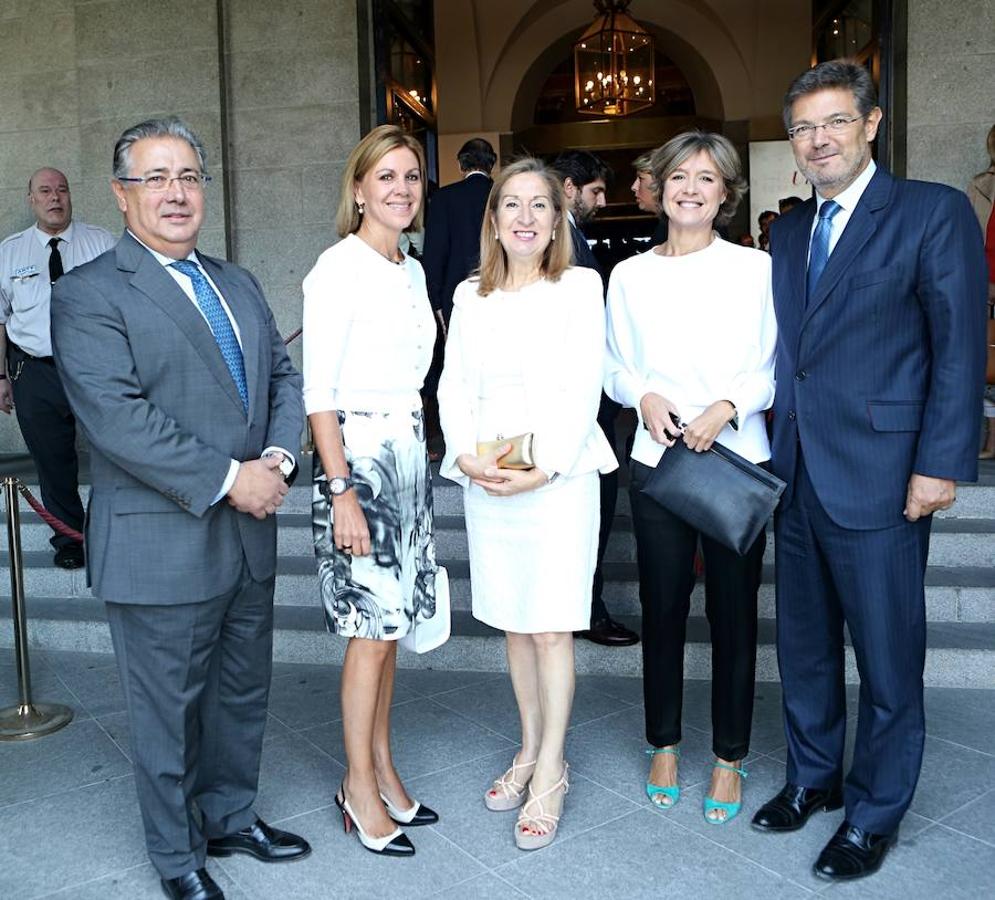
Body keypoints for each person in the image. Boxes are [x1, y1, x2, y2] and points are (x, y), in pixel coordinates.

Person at [49, 117, 309, 900]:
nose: (176, 193)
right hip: (161, 545)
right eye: (156, 178)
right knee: (167, 714)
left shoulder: (236, 282)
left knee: (240, 693)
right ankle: (176, 855)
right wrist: (233, 477)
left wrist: (279, 457)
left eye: (189, 176)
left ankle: (230, 816)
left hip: (245, 537)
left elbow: (282, 380)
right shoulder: (87, 294)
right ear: (122, 195)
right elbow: (117, 419)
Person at [751, 60, 986, 881]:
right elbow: (788, 356)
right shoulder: (785, 232)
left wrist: (940, 463)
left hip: (886, 475)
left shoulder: (929, 212)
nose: (818, 141)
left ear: (870, 125)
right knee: (806, 648)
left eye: (834, 123)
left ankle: (873, 811)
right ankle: (812, 779)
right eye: (803, 129)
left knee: (887, 658)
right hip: (798, 473)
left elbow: (957, 346)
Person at [438, 157, 616, 850]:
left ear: (556, 218)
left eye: (538, 205)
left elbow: (583, 385)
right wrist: (466, 455)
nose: (523, 217)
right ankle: (526, 744)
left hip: (559, 479)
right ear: (493, 218)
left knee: (550, 628)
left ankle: (551, 766)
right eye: (509, 204)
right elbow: (452, 387)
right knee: (514, 624)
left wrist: (543, 467)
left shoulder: (578, 286)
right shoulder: (467, 293)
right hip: (491, 477)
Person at [605, 130, 776, 826]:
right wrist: (640, 395)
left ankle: (730, 757)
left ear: (726, 194)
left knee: (733, 615)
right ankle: (665, 744)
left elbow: (770, 365)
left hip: (736, 461)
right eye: (679, 176)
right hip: (658, 464)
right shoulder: (629, 276)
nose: (691, 189)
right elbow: (613, 364)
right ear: (656, 186)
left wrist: (728, 405)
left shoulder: (754, 269)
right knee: (663, 606)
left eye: (707, 179)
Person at [302, 124, 442, 859]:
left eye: (411, 176)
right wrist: (342, 491)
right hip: (356, 464)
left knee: (390, 632)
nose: (399, 188)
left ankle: (383, 767)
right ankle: (357, 787)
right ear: (357, 189)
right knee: (368, 635)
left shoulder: (409, 269)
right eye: (384, 176)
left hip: (407, 457)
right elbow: (317, 393)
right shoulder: (337, 269)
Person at [0, 169, 114, 568]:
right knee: (52, 459)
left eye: (62, 190)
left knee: (113, 452)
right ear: (31, 198)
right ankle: (70, 541)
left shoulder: (101, 243)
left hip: (95, 366)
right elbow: (0, 318)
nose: (55, 197)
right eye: (45, 191)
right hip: (34, 370)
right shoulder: (9, 252)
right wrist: (0, 377)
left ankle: (110, 533)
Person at [553, 148, 638, 648]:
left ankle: (584, 604)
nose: (604, 202)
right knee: (593, 510)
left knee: (598, 508)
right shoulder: (558, 236)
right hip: (578, 409)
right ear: (569, 187)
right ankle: (586, 608)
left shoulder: (571, 233)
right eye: (597, 191)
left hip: (590, 406)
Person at [422, 137, 496, 327]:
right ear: (492, 164)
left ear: (460, 165)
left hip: (454, 298)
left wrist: (436, 303)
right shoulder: (503, 195)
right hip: (501, 292)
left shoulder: (443, 198)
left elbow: (434, 255)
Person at [967, 123, 995, 458]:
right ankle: (991, 439)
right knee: (987, 361)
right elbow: (971, 237)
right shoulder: (981, 185)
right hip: (986, 283)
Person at [631, 151, 669, 245]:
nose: (634, 187)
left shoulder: (675, 229)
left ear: (661, 183)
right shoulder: (666, 226)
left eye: (640, 178)